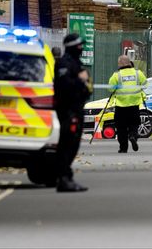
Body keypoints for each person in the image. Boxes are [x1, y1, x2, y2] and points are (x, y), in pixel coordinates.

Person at [54, 33, 92, 192]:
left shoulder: (77, 63)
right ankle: (63, 178)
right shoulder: (64, 63)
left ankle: (66, 177)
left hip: (77, 108)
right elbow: (65, 86)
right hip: (67, 110)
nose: (81, 48)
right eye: (79, 46)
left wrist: (84, 83)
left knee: (74, 145)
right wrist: (80, 80)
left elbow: (87, 86)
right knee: (67, 145)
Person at [109, 55, 147, 153]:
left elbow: (111, 88)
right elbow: (145, 84)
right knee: (134, 124)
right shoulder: (138, 73)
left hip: (121, 105)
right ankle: (133, 136)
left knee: (121, 127)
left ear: (120, 64)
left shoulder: (116, 75)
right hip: (134, 104)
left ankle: (123, 148)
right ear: (129, 63)